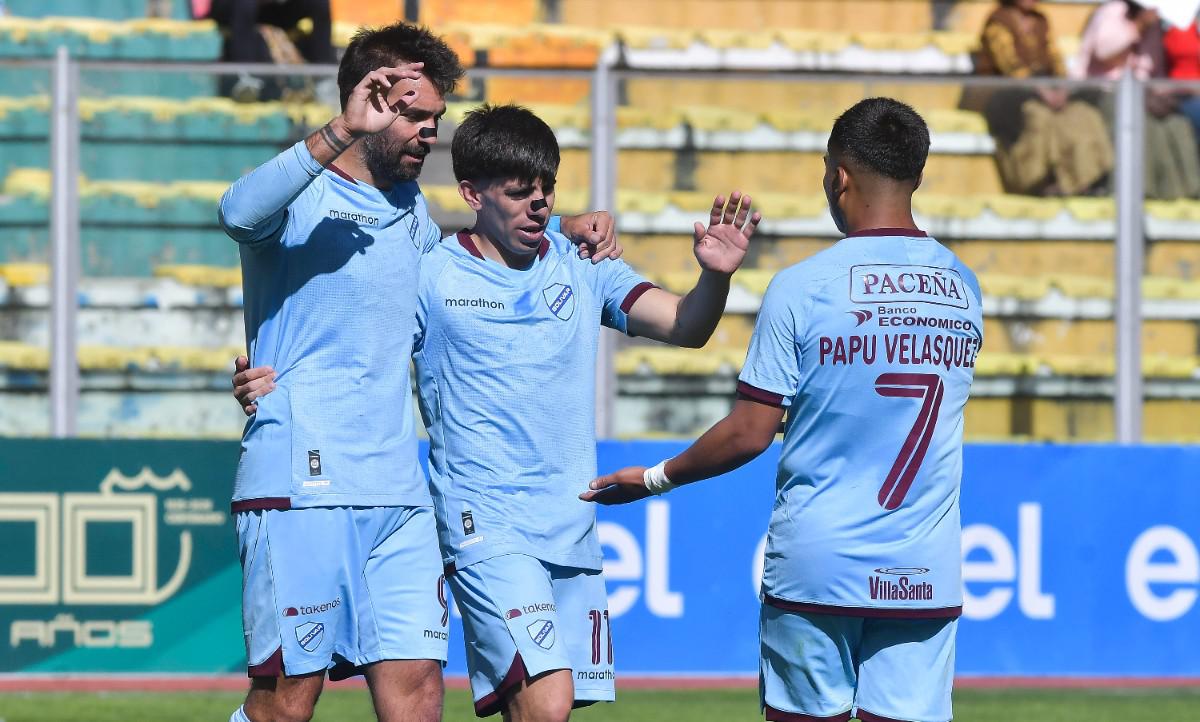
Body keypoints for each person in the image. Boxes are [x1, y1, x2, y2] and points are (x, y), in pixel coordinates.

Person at [237, 103, 760, 720]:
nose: (538, 205)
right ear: (470, 194)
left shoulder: (584, 266)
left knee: (536, 710)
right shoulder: (428, 271)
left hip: (572, 522)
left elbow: (685, 325)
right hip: (482, 524)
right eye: (519, 193)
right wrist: (260, 373)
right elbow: (351, 337)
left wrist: (716, 279)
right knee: (548, 701)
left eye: (547, 191)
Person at [218, 23, 619, 722]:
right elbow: (235, 211)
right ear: (364, 101)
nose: (428, 130)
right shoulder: (300, 194)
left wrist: (565, 227)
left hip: (401, 495)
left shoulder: (410, 216)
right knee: (285, 702)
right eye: (410, 113)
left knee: (420, 695)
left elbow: (470, 254)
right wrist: (340, 130)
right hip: (302, 483)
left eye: (434, 118)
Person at [582, 98, 983, 722]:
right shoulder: (962, 286)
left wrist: (655, 477)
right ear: (918, 175)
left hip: (818, 568)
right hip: (923, 569)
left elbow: (749, 432)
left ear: (839, 176)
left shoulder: (804, 286)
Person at [974, 0, 1113, 196]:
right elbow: (1010, 67)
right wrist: (1042, 91)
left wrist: (1062, 89)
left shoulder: (1041, 21)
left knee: (1082, 115)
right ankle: (1038, 183)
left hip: (1045, 90)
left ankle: (1082, 182)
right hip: (1008, 95)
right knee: (1040, 117)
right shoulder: (998, 22)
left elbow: (1055, 60)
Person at [1074, 0, 1200, 200]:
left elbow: (1155, 70)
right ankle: (1139, 193)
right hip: (1105, 91)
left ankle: (1183, 193)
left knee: (1177, 125)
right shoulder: (1112, 12)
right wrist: (1138, 27)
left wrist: (1161, 96)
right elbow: (1105, 52)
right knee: (1141, 126)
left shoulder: (1155, 26)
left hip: (1144, 95)